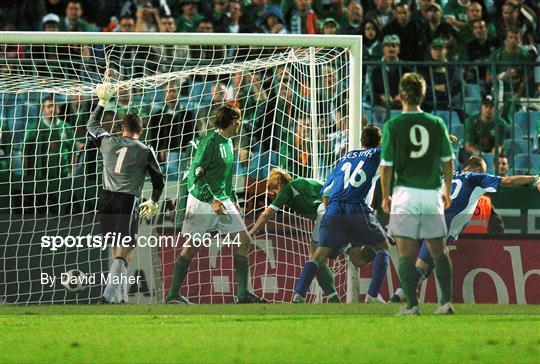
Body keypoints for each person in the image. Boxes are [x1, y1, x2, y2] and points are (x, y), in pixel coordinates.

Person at [390, 156, 540, 302]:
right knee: (422, 265)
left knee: (440, 256)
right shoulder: (477, 178)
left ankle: (410, 287)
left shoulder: (447, 175)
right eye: (483, 170)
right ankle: (398, 297)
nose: (483, 173)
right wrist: (535, 177)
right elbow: (508, 180)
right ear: (477, 168)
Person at [165, 105, 267, 304]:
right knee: (191, 248)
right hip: (203, 202)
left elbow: (226, 178)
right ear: (232, 121)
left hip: (223, 199)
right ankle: (173, 295)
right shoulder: (210, 141)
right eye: (239, 119)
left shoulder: (229, 143)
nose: (240, 123)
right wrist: (212, 200)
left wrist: (233, 200)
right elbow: (196, 176)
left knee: (243, 240)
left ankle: (243, 294)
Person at [380, 72, 455, 315]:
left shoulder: (393, 125)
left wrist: (385, 196)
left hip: (405, 195)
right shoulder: (436, 123)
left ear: (400, 95)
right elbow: (448, 161)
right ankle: (446, 303)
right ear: (423, 94)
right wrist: (447, 189)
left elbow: (386, 167)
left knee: (405, 253)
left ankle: (412, 305)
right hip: (431, 193)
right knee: (439, 250)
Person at [293, 125, 391, 303]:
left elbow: (325, 191)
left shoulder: (346, 157)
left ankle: (298, 294)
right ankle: (372, 296)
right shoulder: (376, 154)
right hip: (356, 207)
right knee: (383, 247)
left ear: (361, 141)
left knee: (319, 255)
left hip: (333, 209)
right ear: (379, 142)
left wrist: (333, 216)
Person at [87, 83, 164, 304]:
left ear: (122, 128)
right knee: (125, 248)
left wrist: (102, 102)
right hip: (127, 201)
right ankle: (108, 296)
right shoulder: (144, 150)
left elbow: (91, 124)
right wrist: (153, 201)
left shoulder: (107, 141)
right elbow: (159, 180)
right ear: (140, 130)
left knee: (116, 247)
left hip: (106, 198)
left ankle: (120, 297)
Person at [248, 168, 340, 303]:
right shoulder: (304, 184)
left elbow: (266, 214)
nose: (276, 196)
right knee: (356, 257)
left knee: (315, 258)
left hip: (327, 212)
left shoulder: (289, 189)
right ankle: (333, 298)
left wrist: (251, 232)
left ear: (279, 184)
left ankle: (300, 296)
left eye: (274, 192)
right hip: (342, 210)